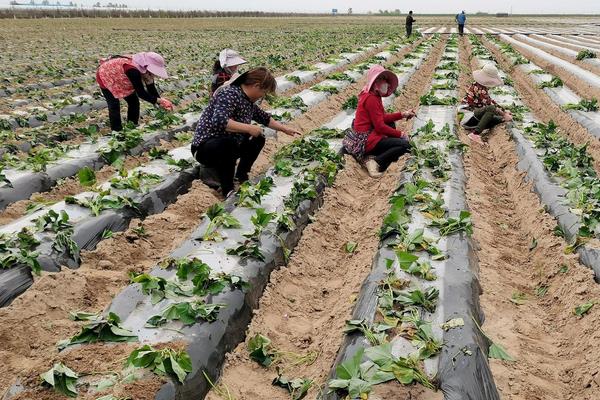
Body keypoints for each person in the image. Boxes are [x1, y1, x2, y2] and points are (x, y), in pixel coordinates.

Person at [191, 67, 301, 197]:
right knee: (229, 143)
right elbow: (220, 121)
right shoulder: (230, 94)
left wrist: (285, 129)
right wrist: (249, 128)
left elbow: (264, 118)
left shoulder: (247, 101)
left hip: (227, 146)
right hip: (205, 149)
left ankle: (241, 176)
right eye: (264, 92)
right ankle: (227, 189)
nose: (263, 96)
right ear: (256, 86)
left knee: (258, 138)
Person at [343, 65, 414, 178]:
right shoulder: (371, 99)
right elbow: (379, 126)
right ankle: (375, 162)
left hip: (367, 134)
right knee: (405, 145)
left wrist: (402, 114)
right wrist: (401, 134)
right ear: (375, 82)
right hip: (365, 140)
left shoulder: (372, 95)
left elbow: (381, 117)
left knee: (391, 124)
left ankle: (376, 155)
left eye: (385, 80)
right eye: (382, 79)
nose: (386, 83)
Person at [96, 52, 173, 132]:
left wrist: (160, 102)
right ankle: (116, 131)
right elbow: (141, 93)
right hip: (105, 76)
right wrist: (160, 100)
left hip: (121, 77)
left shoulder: (144, 69)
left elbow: (150, 89)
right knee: (114, 105)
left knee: (134, 102)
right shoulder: (133, 70)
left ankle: (132, 126)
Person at [461, 63, 512, 144]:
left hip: (473, 117)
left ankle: (479, 128)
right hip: (468, 116)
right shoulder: (481, 89)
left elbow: (490, 101)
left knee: (499, 119)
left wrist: (504, 112)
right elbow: (490, 106)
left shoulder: (479, 86)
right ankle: (475, 134)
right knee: (492, 110)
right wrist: (504, 113)